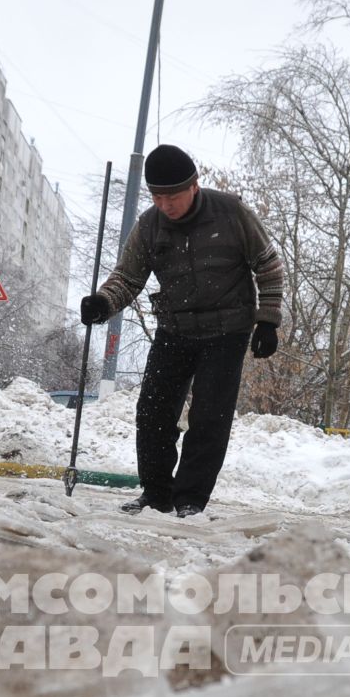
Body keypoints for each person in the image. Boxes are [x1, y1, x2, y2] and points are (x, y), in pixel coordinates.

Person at [80, 144, 284, 517]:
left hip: (227, 330)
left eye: (172, 195)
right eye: (158, 196)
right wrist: (103, 303)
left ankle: (190, 500)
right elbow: (127, 277)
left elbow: (268, 264)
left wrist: (268, 319)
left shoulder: (231, 212)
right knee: (153, 411)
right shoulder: (150, 225)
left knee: (209, 416)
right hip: (175, 328)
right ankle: (156, 494)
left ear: (194, 186)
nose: (166, 204)